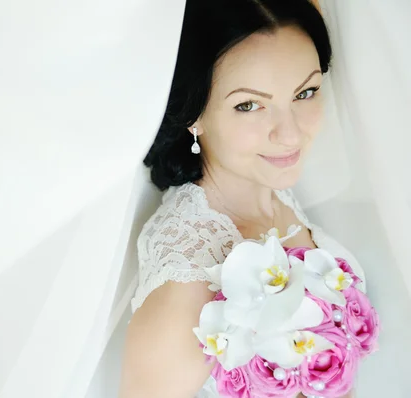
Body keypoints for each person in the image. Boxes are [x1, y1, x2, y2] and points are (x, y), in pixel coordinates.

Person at [119, 0, 364, 397]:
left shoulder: (272, 187)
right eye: (248, 105)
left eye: (305, 92)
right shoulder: (185, 286)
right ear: (192, 113)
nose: (290, 134)